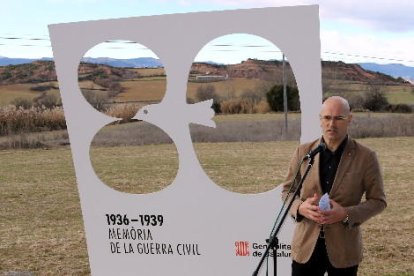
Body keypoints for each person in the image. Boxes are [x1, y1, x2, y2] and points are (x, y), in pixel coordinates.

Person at [281, 96, 387, 276]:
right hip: (305, 246)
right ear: (320, 120)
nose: (332, 124)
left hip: (344, 250)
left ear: (350, 119)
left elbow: (378, 201)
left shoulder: (366, 157)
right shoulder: (304, 152)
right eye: (327, 118)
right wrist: (300, 207)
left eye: (339, 118)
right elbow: (287, 191)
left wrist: (346, 213)